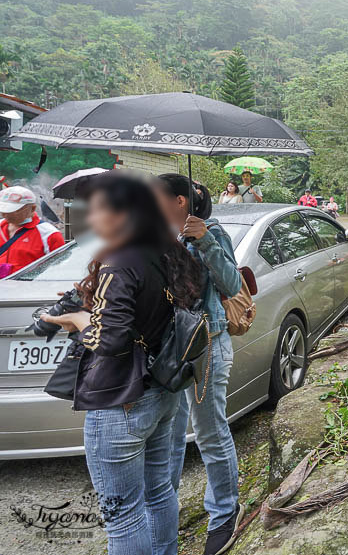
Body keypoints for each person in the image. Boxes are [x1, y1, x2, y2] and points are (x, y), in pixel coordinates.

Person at [40, 173, 203, 555]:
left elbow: (110, 341)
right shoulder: (168, 252)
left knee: (124, 514)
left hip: (121, 402)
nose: (92, 220)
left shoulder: (120, 262)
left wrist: (78, 321)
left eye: (99, 211)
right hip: (161, 393)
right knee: (159, 491)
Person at [153, 174, 244, 555]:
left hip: (207, 343)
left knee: (208, 431)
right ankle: (164, 509)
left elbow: (232, 283)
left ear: (179, 201)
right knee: (170, 434)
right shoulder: (160, 234)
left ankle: (225, 511)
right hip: (170, 348)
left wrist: (204, 239)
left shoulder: (212, 232)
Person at [0, 185, 65, 277]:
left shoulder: (49, 234)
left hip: (29, 287)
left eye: (13, 211)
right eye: (3, 210)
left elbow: (58, 267)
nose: (6, 214)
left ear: (32, 209)